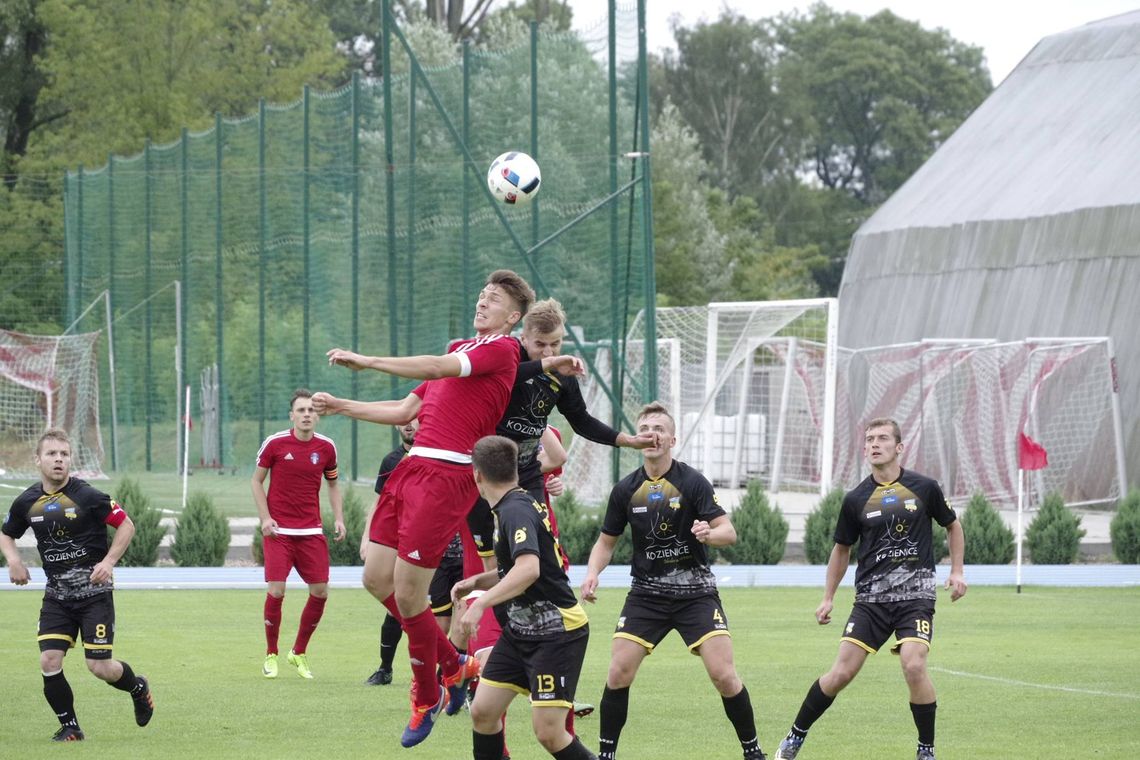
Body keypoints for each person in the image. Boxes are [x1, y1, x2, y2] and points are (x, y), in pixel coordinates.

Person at [316, 270, 567, 748]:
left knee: (411, 599)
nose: (482, 302)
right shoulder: (463, 345)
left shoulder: (502, 350)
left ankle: (426, 693)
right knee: (374, 578)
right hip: (413, 470)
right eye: (481, 294)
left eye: (493, 299)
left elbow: (433, 368)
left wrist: (366, 360)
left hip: (448, 476)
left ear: (512, 317)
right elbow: (406, 411)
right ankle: (454, 666)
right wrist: (341, 405)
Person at [580, 402, 767, 760]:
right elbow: (606, 542)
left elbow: (728, 531)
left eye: (660, 429)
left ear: (672, 439)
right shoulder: (624, 490)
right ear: (637, 439)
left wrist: (709, 535)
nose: (652, 434)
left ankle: (752, 751)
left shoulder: (691, 481)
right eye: (646, 428)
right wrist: (592, 573)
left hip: (696, 594)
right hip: (646, 596)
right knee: (618, 672)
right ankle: (606, 755)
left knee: (723, 676)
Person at [772, 417, 967, 760]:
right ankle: (795, 736)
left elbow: (953, 525)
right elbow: (842, 550)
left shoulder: (925, 488)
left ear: (899, 447)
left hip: (915, 598)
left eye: (882, 438)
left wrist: (957, 571)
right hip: (871, 601)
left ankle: (926, 750)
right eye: (869, 440)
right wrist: (828, 597)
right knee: (840, 673)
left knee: (913, 664)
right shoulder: (856, 499)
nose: (874, 444)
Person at [0, 429, 154, 742]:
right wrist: (13, 560)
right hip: (57, 596)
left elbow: (126, 525)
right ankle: (71, 727)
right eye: (52, 454)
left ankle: (137, 687)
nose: (58, 459)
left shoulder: (88, 496)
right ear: (38, 460)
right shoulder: (27, 501)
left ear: (70, 459)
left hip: (94, 595)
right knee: (49, 660)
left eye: (64, 454)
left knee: (98, 667)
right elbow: (7, 534)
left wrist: (108, 562)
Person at [453, 435, 596, 760]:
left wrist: (483, 603)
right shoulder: (513, 505)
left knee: (549, 733)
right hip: (521, 632)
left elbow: (529, 569)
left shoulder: (516, 510)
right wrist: (477, 580)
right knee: (484, 711)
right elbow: (522, 566)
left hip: (556, 632)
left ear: (477, 474)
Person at [251, 389, 345, 680]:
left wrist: (339, 518)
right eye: (301, 410)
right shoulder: (275, 444)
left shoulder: (327, 448)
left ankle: (299, 652)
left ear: (317, 415)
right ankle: (271, 654)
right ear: (292, 415)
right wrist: (265, 519)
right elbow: (256, 481)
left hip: (311, 531)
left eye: (311, 411)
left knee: (320, 592)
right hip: (279, 532)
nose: (306, 415)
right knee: (277, 591)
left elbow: (332, 485)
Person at [365, 418, 418, 686]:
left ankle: (442, 671)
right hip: (397, 540)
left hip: (431, 541)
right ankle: (385, 668)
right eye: (403, 422)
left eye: (413, 420)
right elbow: (379, 502)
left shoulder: (434, 455)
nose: (409, 426)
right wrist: (368, 538)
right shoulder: (390, 461)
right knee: (398, 602)